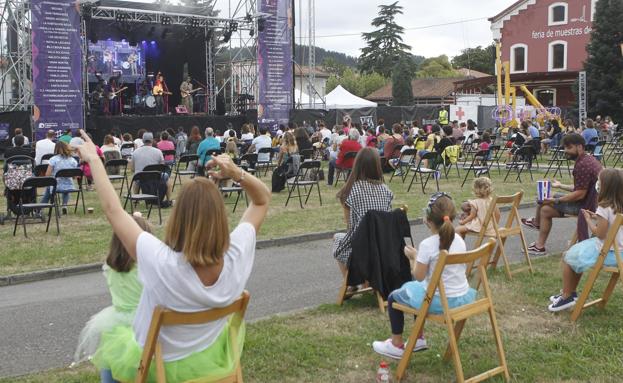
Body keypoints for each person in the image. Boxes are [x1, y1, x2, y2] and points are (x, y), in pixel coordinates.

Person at [70, 129, 270, 383]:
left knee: (111, 354)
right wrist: (236, 173)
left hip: (157, 366)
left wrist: (95, 160)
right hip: (206, 356)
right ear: (220, 217)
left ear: (178, 219)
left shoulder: (161, 261)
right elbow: (262, 201)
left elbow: (114, 211)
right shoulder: (237, 254)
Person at [372, 192, 475, 359]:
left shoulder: (428, 245)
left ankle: (396, 343)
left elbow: (419, 276)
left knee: (394, 297)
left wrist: (414, 258)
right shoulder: (458, 239)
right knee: (415, 290)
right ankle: (418, 339)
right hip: (462, 297)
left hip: (440, 301)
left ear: (428, 219)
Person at [74, 213, 151, 364]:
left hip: (116, 320)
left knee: (111, 358)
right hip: (144, 322)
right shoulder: (145, 268)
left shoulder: (111, 268)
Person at [548, 169, 623, 312]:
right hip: (620, 253)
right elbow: (612, 225)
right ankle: (570, 291)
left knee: (568, 256)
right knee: (577, 256)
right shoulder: (619, 206)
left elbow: (599, 234)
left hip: (607, 252)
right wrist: (598, 218)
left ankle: (567, 295)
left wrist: (589, 220)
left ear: (605, 187)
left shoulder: (604, 207)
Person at [522, 134, 603, 255]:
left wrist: (555, 201)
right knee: (546, 205)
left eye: (569, 147)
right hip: (593, 202)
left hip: (587, 207)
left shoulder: (582, 165)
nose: (565, 151)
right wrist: (560, 186)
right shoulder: (590, 160)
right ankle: (538, 242)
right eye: (565, 147)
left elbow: (580, 194)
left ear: (580, 147)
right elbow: (580, 188)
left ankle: (537, 228)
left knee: (544, 201)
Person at [332, 148, 393, 279]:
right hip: (384, 247)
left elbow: (350, 227)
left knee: (338, 238)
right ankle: (367, 282)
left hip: (362, 249)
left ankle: (349, 283)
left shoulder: (352, 191)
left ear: (357, 165)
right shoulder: (386, 191)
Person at [41, 141, 78, 214]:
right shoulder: (72, 160)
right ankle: (64, 205)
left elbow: (47, 175)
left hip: (56, 186)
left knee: (49, 187)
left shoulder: (53, 159)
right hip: (69, 186)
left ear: (56, 149)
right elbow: (74, 177)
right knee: (66, 189)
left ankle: (39, 208)